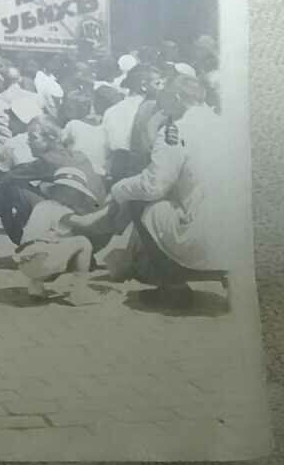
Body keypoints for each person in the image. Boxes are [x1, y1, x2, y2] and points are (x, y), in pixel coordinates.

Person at [91, 76, 232, 302]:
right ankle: (231, 280)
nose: (159, 105)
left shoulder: (175, 130)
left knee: (138, 201)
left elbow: (153, 185)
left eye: (163, 98)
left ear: (176, 98)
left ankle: (173, 286)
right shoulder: (223, 124)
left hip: (203, 236)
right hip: (234, 231)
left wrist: (118, 189)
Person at [0, 116, 103, 246]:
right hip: (99, 231)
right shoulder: (78, 155)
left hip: (79, 229)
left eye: (33, 138)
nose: (28, 142)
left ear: (51, 139)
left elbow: (6, 179)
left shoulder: (48, 160)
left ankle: (24, 242)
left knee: (13, 186)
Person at [13, 167, 104, 305]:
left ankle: (36, 286)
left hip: (25, 264)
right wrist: (108, 210)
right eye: (72, 192)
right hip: (42, 261)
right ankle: (79, 292)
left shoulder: (42, 206)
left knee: (59, 241)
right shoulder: (59, 209)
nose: (74, 196)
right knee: (83, 242)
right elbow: (85, 222)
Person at [102, 65, 162, 181]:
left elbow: (107, 147)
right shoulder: (152, 109)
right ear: (144, 86)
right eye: (157, 84)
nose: (161, 88)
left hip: (117, 170)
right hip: (142, 170)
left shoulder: (111, 110)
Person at [61, 89, 108, 178]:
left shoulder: (73, 125)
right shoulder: (105, 123)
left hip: (80, 172)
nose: (67, 111)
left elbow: (62, 145)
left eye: (70, 108)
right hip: (102, 171)